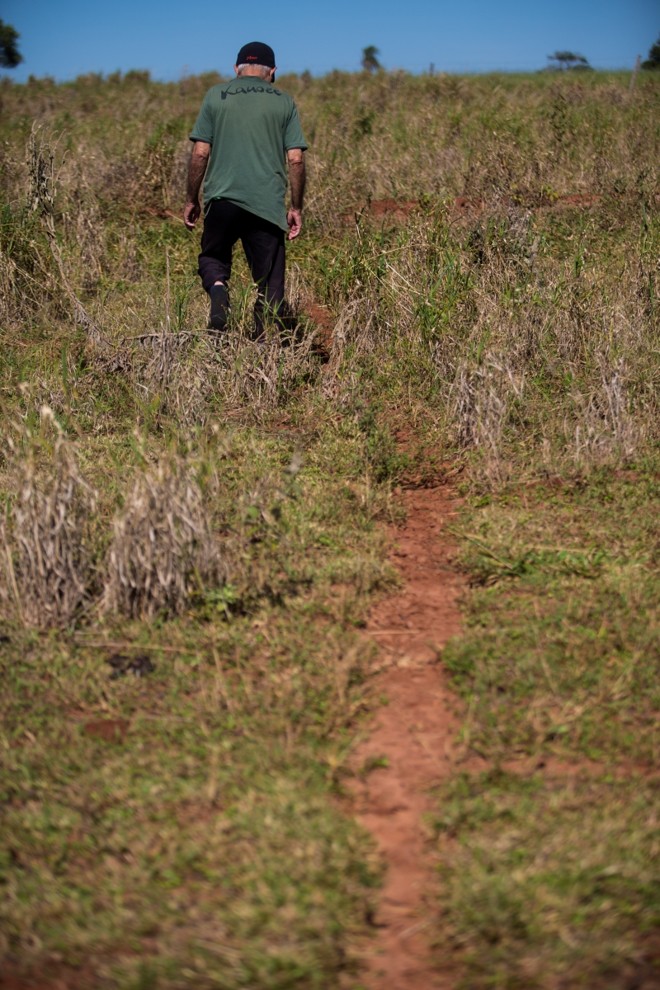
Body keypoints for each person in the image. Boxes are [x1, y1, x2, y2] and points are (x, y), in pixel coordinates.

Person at [184, 41, 307, 341]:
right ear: (273, 71)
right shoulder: (284, 102)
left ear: (236, 68)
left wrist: (191, 198)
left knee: (213, 258)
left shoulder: (217, 95)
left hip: (221, 200)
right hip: (265, 205)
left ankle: (218, 292)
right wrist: (296, 208)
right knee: (270, 284)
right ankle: (262, 346)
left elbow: (200, 152)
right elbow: (296, 158)